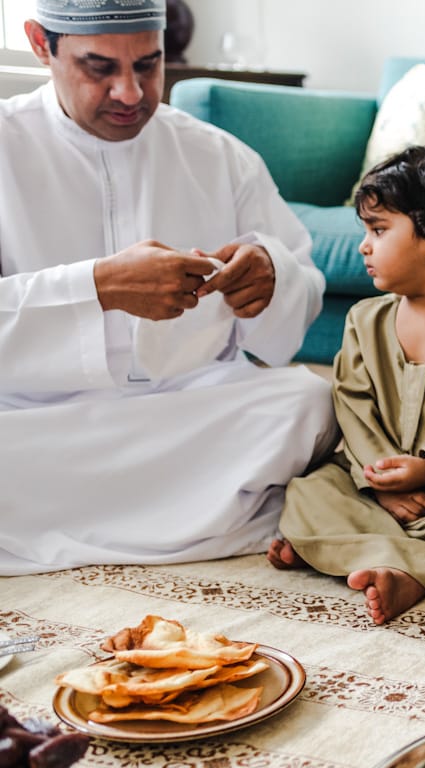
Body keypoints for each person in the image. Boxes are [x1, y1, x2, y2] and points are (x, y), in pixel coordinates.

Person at [0, 0, 336, 575]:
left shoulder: (217, 154)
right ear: (40, 44)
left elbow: (303, 284)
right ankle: (232, 520)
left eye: (148, 65)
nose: (130, 93)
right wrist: (97, 287)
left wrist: (271, 276)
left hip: (186, 411)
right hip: (33, 421)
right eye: (99, 68)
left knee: (308, 401)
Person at [270, 146, 425, 625]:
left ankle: (382, 563)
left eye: (379, 230)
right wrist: (380, 483)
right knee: (310, 493)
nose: (364, 245)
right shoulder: (364, 321)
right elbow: (353, 405)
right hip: (373, 489)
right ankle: (392, 557)